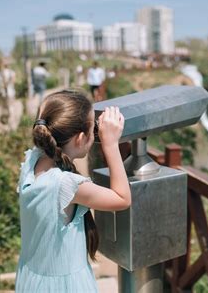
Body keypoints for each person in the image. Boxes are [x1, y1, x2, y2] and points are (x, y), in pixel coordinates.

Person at [15, 90, 131, 292]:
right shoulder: (66, 184)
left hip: (32, 280)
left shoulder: (32, 161)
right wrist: (111, 144)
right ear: (80, 138)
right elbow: (122, 199)